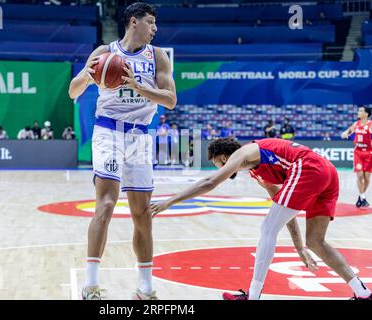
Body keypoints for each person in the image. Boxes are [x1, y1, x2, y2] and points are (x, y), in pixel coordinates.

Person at [151, 137, 372, 300]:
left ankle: (253, 296)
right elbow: (284, 209)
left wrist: (169, 201)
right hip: (326, 173)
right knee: (315, 241)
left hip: (309, 168)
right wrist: (299, 247)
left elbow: (210, 182)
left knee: (267, 229)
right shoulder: (258, 171)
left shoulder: (244, 153)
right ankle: (363, 292)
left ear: (224, 157)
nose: (218, 167)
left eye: (217, 163)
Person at [68, 2, 176, 300]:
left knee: (142, 214)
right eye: (151, 22)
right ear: (133, 22)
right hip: (108, 131)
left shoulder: (159, 57)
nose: (155, 29)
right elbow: (73, 91)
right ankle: (90, 286)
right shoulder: (104, 53)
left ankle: (145, 288)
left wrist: (138, 86)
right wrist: (89, 76)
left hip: (140, 136)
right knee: (105, 204)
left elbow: (170, 100)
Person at [341, 106, 372, 207]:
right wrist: (346, 134)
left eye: (361, 111)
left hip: (369, 153)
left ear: (366, 114)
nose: (358, 112)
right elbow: (346, 133)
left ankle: (361, 196)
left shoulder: (370, 124)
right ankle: (362, 197)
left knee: (366, 177)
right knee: (359, 175)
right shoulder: (356, 124)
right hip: (358, 152)